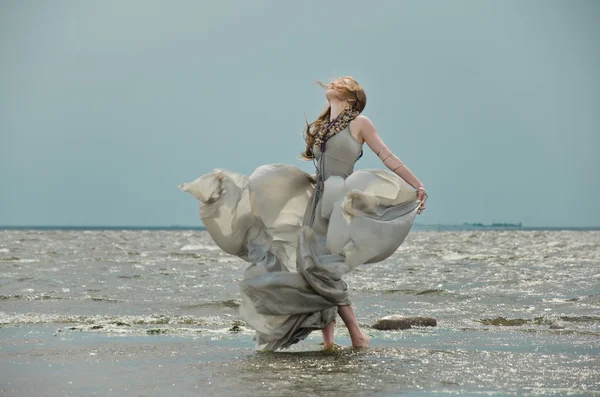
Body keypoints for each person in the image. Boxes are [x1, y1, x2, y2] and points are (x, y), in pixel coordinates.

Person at [179, 76, 427, 351]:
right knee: (310, 269)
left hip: (337, 204)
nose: (333, 83)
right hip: (317, 202)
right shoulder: (323, 128)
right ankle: (328, 340)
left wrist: (416, 184)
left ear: (352, 97)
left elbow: (388, 156)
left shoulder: (360, 123)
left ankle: (358, 335)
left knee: (323, 268)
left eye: (341, 82)